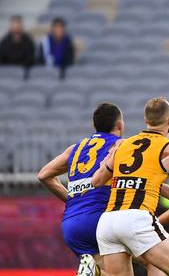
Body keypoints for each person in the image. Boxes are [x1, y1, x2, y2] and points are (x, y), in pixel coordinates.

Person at [92, 97, 169, 276]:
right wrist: (152, 184)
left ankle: (95, 272)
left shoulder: (122, 145)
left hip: (108, 222)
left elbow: (97, 180)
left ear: (146, 120)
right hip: (137, 218)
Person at [37, 102, 125, 276]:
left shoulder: (75, 148)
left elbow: (44, 174)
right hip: (102, 219)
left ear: (94, 126)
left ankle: (95, 271)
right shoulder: (121, 145)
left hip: (72, 224)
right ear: (120, 125)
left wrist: (72, 199)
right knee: (155, 257)